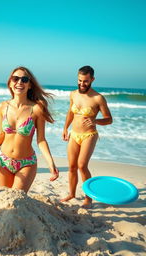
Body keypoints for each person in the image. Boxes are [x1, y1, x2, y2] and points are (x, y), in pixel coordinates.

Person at [0, 66, 59, 193]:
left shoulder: (37, 108)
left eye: (24, 79)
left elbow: (41, 140)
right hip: (4, 161)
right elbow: (1, 134)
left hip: (26, 163)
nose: (19, 82)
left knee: (16, 198)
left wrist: (50, 163)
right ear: (10, 83)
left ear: (30, 85)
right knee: (5, 197)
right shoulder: (2, 107)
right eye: (15, 79)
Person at [61, 66, 112, 208]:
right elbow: (70, 113)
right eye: (80, 80)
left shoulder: (98, 98)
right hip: (74, 134)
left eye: (85, 81)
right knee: (71, 166)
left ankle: (88, 199)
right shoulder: (73, 94)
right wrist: (65, 128)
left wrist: (96, 121)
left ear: (92, 80)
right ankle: (72, 193)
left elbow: (109, 119)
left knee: (82, 165)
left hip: (89, 135)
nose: (82, 84)